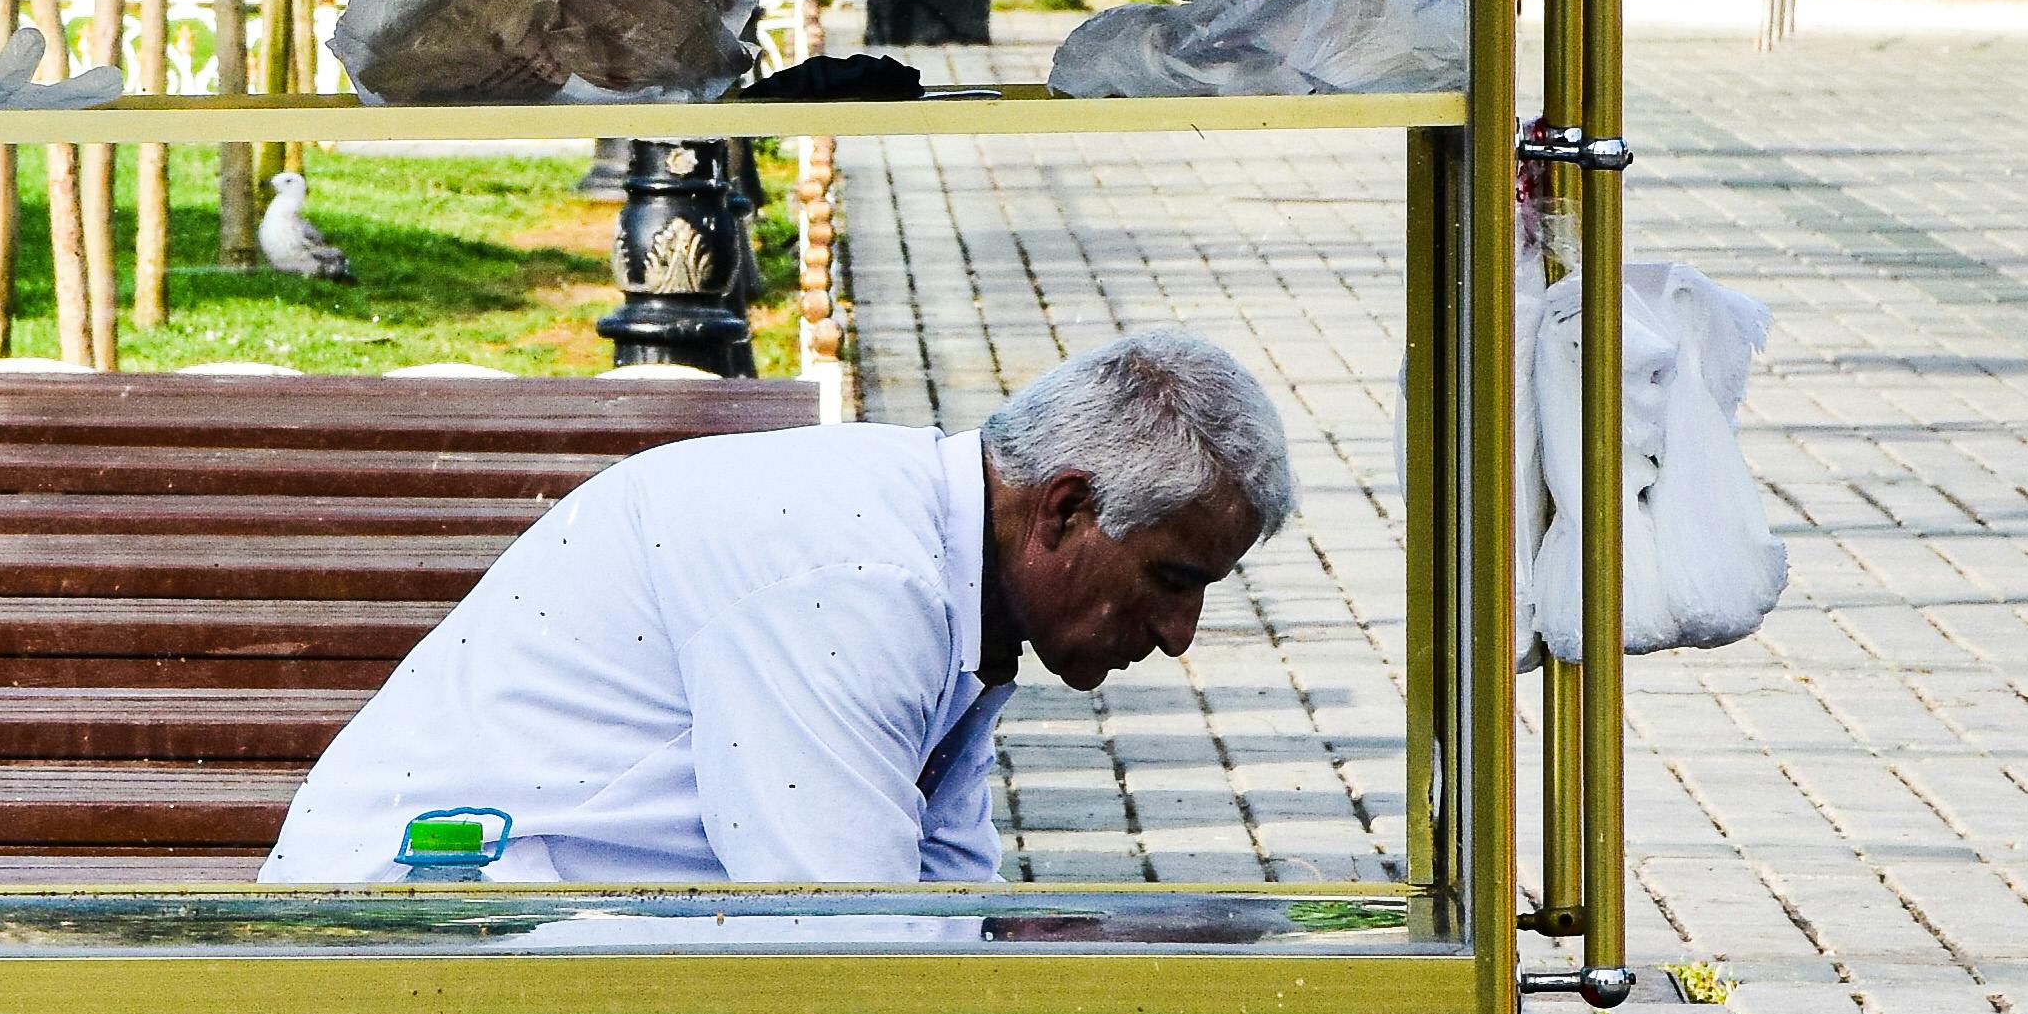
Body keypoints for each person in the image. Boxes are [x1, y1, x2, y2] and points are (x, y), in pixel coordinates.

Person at [264, 328, 1293, 890]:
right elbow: (844, 942)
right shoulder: (853, 580)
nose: (1177, 635)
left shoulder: (947, 562)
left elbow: (942, 898)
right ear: (1065, 508)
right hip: (415, 954)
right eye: (1173, 580)